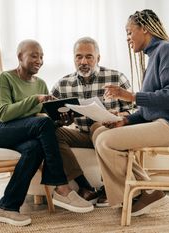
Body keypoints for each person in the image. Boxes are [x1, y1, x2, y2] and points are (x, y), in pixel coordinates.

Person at [94, 9, 169, 216]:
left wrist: (131, 96)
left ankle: (133, 196)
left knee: (105, 141)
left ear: (144, 28)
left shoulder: (167, 49)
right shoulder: (154, 56)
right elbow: (149, 110)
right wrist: (126, 120)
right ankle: (148, 191)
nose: (127, 38)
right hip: (166, 122)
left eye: (129, 32)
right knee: (99, 133)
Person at [0, 39, 93, 227]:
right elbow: (4, 114)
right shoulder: (5, 78)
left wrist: (61, 121)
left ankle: (6, 206)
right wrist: (34, 99)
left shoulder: (40, 83)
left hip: (20, 133)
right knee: (42, 124)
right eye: (34, 55)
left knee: (35, 147)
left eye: (41, 56)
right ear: (19, 57)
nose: (39, 60)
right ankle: (62, 188)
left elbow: (41, 120)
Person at [51, 37, 133, 206]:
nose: (83, 61)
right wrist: (62, 121)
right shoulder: (62, 84)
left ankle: (108, 188)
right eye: (79, 57)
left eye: (89, 56)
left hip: (109, 133)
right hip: (81, 134)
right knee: (51, 132)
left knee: (98, 126)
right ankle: (85, 187)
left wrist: (117, 114)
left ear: (98, 58)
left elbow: (135, 111)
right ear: (73, 58)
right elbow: (51, 115)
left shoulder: (116, 78)